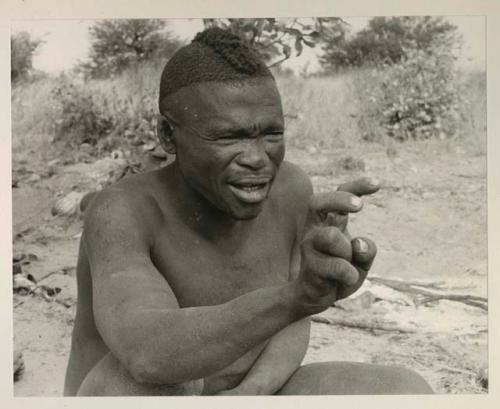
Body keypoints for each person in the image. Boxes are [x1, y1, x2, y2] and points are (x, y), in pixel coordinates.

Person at [63, 27, 433, 396]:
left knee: (403, 389)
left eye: (271, 134)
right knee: (170, 384)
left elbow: (292, 322)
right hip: (135, 394)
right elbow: (148, 355)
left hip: (249, 393)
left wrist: (251, 392)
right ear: (167, 134)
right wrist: (293, 297)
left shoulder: (291, 189)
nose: (257, 158)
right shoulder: (122, 210)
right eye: (228, 137)